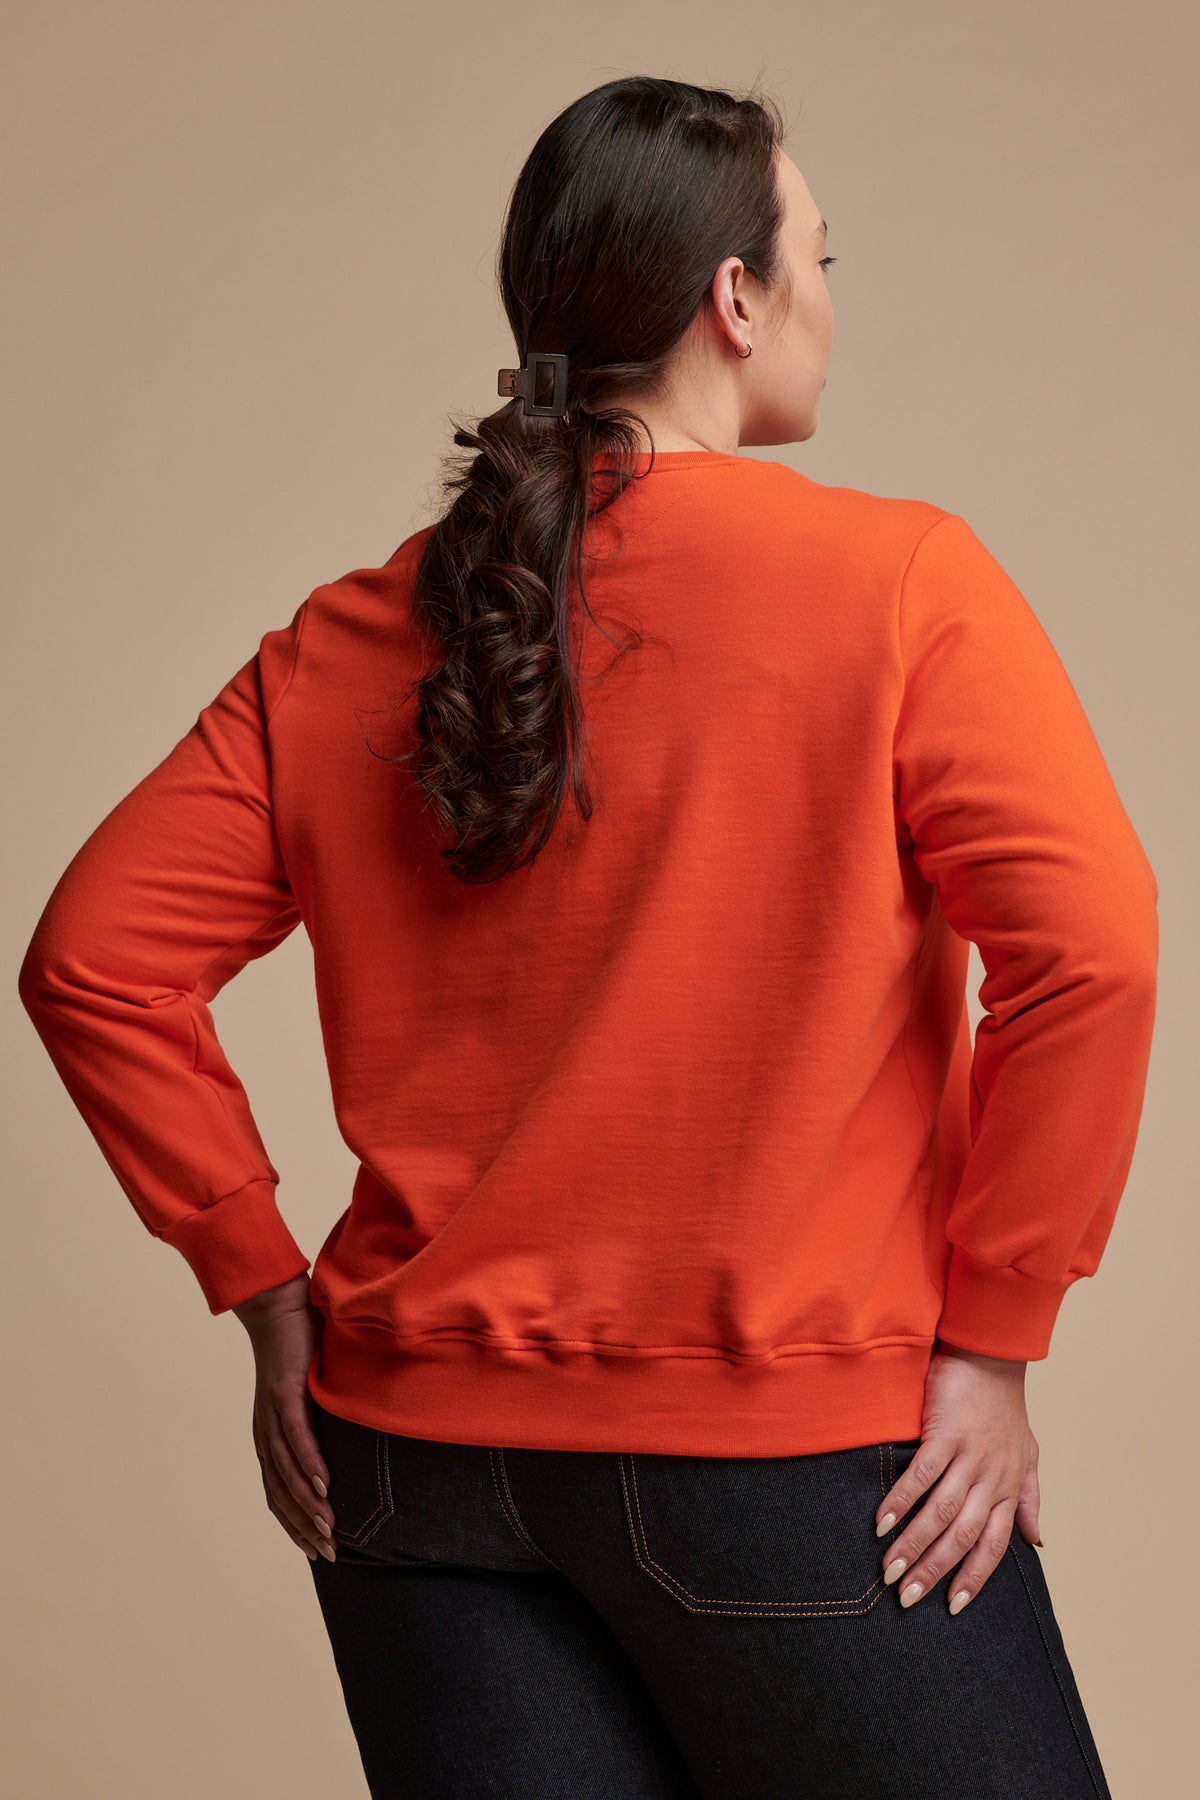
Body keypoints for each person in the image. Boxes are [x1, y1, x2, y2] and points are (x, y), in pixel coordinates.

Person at [17, 73, 1156, 1800]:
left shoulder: (357, 632)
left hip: (415, 1471)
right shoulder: (904, 585)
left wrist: (264, 1293)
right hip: (784, 1453)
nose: (831, 301)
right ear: (737, 300)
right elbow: (1096, 951)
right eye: (821, 259)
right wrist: (993, 1339)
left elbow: (88, 958)